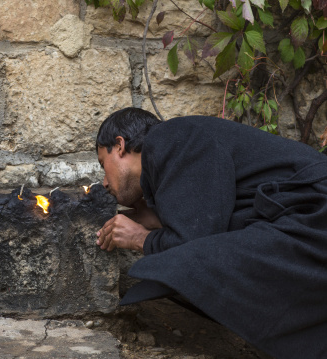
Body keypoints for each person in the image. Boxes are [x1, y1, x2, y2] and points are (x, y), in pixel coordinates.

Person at [95, 107, 327, 359]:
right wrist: (162, 221)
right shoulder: (176, 151)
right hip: (308, 224)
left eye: (102, 164)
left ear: (119, 146)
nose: (105, 182)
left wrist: (139, 238)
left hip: (314, 216)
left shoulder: (168, 136)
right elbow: (213, 222)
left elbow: (196, 242)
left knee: (178, 270)